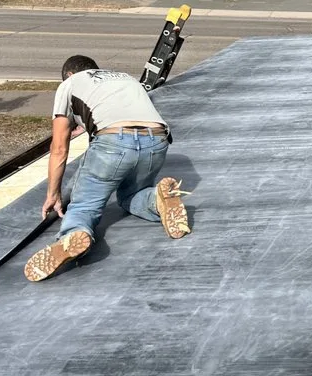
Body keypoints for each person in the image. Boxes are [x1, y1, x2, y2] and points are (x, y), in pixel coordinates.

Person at [23, 55, 191, 282]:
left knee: (84, 205)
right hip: (157, 140)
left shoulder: (69, 84)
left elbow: (59, 149)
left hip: (113, 142)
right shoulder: (125, 78)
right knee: (130, 196)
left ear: (70, 75)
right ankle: (157, 200)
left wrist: (54, 194)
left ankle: (75, 233)